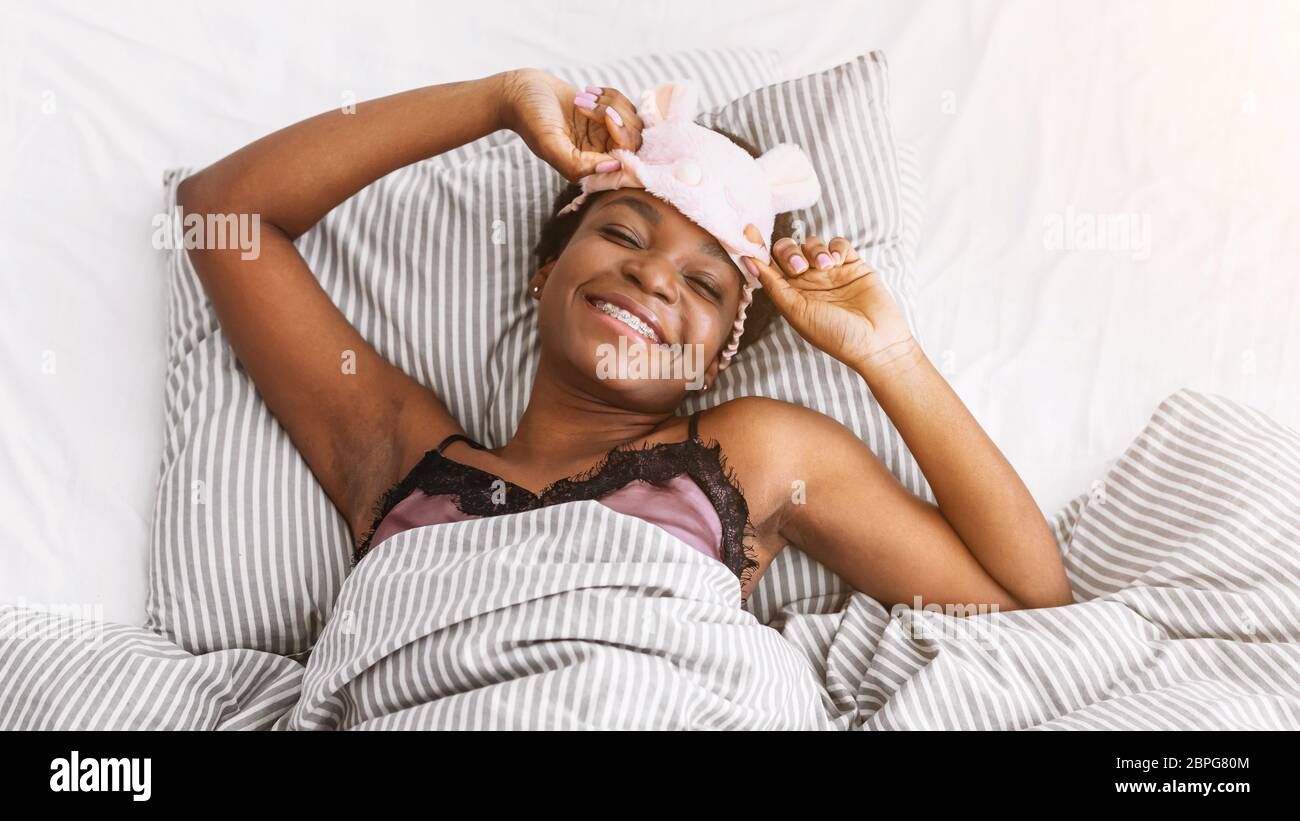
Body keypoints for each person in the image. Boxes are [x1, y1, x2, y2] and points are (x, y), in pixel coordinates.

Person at [177, 67, 1073, 611]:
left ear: (720, 355)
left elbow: (1033, 601)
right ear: (545, 269)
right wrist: (496, 100)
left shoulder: (755, 453)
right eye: (625, 234)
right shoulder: (396, 455)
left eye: (703, 283)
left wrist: (890, 357)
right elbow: (223, 212)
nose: (653, 277)